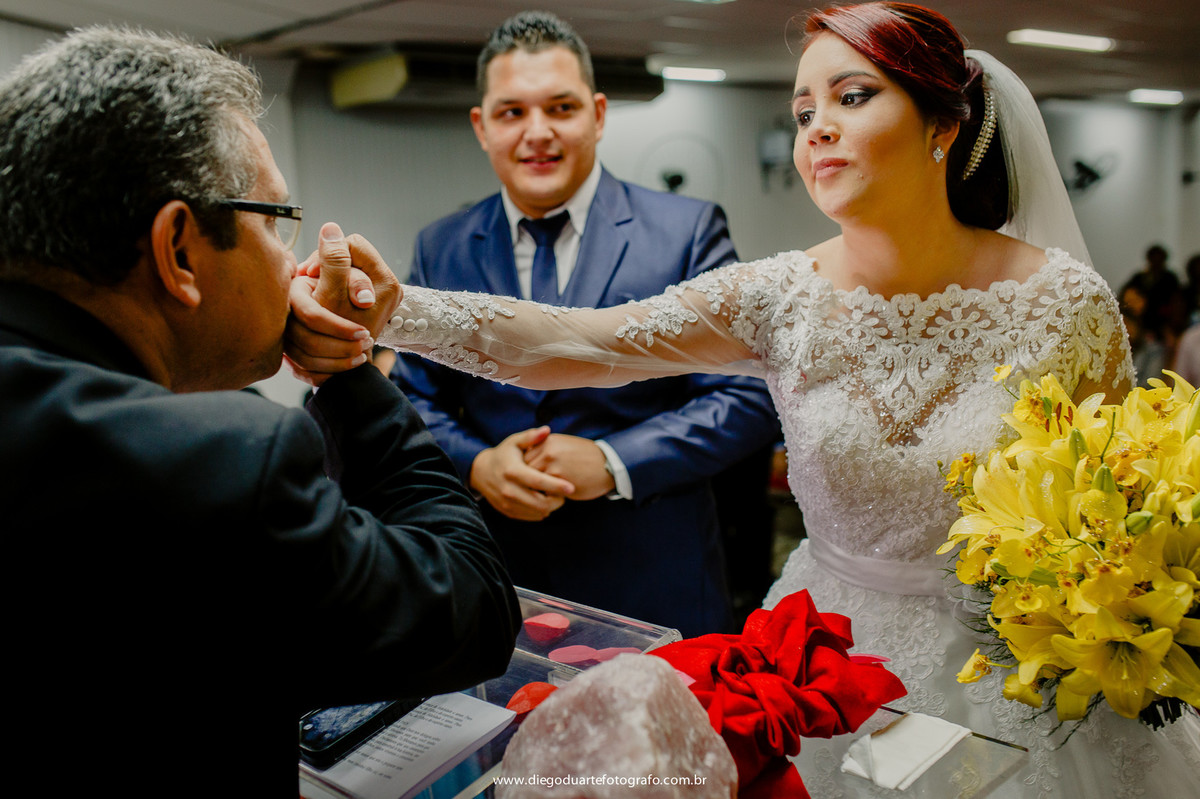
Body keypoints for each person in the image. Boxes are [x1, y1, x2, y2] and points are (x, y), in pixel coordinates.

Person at [288, 2, 1200, 795]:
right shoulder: (778, 296)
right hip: (825, 659)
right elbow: (577, 343)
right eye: (803, 111)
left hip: (1012, 677)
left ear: (942, 124)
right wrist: (399, 309)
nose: (817, 130)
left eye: (852, 97)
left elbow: (1116, 519)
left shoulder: (1066, 303)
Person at [0, 27, 520, 798]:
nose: (291, 260)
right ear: (178, 248)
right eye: (277, 221)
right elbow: (472, 607)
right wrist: (347, 369)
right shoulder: (214, 461)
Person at [387, 11, 780, 637]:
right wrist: (478, 463)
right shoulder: (444, 246)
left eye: (561, 108)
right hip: (501, 582)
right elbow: (412, 396)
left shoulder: (686, 231)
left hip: (650, 576)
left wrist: (612, 460)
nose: (537, 132)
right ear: (481, 126)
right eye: (512, 112)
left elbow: (746, 392)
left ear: (597, 115)